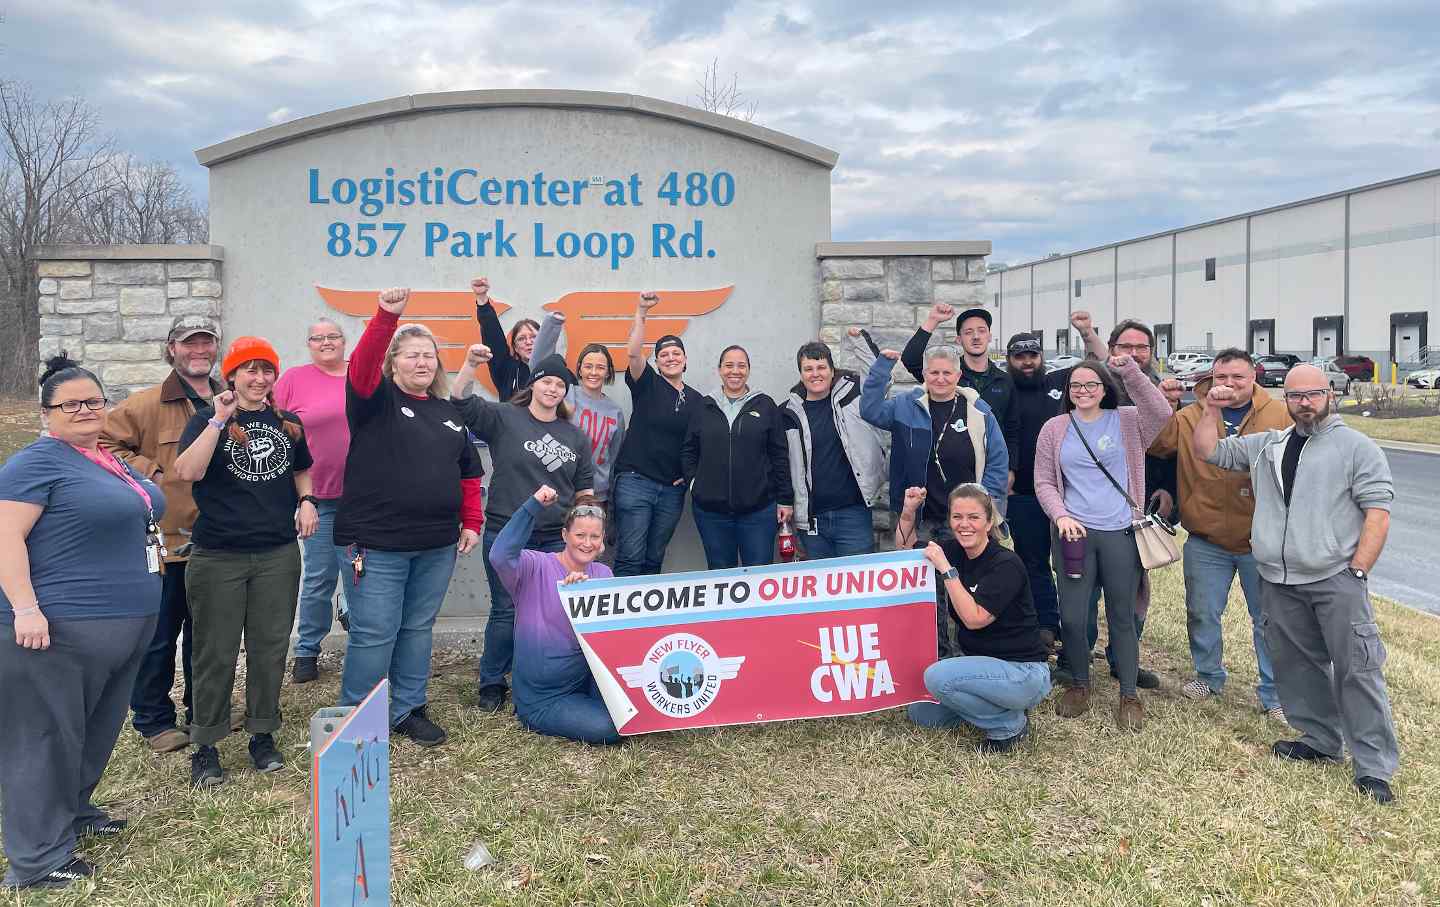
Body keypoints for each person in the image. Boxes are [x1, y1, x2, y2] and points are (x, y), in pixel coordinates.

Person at [1193, 364, 1400, 804]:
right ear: (1284, 399)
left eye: (1314, 394)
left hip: (1334, 579)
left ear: (1331, 394)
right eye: (1295, 396)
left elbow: (1377, 514)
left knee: (1357, 671)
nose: (1305, 402)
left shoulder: (1356, 448)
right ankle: (1321, 740)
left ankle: (1373, 766)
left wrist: (1357, 571)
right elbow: (1209, 451)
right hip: (1278, 579)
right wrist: (1210, 408)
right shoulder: (1271, 444)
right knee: (1296, 665)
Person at [0, 358, 165, 889]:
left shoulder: (104, 460)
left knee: (93, 731)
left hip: (121, 625)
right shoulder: (35, 464)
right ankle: (37, 859)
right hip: (58, 628)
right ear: (46, 414)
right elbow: (5, 539)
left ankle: (72, 813)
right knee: (45, 738)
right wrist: (25, 607)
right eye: (71, 404)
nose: (85, 411)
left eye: (94, 401)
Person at [333, 288, 484, 748]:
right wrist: (387, 317)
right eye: (412, 355)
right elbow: (360, 365)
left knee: (418, 628)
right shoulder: (372, 400)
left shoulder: (447, 414)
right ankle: (357, 718)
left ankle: (408, 709)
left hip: (435, 544)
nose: (422, 362)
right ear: (393, 362)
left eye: (429, 356)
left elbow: (469, 475)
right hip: (374, 544)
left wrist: (472, 523)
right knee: (375, 632)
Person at [173, 337, 317, 787]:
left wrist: (307, 499)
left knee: (269, 648)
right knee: (214, 651)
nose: (258, 379)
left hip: (276, 552)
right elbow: (187, 472)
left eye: (266, 370)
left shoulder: (288, 423)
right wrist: (217, 419)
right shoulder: (206, 419)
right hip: (219, 554)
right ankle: (207, 743)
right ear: (232, 375)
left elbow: (301, 468)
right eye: (249, 370)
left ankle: (262, 733)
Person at [100, 314, 223, 754]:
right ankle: (153, 719)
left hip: (216, 542)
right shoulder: (147, 404)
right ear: (171, 348)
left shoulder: (230, 402)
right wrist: (150, 473)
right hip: (166, 543)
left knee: (206, 637)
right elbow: (104, 443)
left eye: (206, 343)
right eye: (189, 343)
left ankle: (202, 711)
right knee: (159, 637)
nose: (199, 351)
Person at [452, 346, 594, 714]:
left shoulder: (574, 436)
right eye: (547, 382)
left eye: (560, 385)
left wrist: (586, 526)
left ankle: (545, 678)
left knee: (553, 612)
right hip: (507, 533)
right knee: (506, 610)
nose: (553, 390)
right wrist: (470, 366)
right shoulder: (504, 418)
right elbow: (460, 402)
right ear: (533, 385)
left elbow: (584, 488)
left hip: (553, 539)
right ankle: (493, 682)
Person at [1149, 348, 1289, 720]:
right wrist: (1163, 402)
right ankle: (1208, 676)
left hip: (1262, 539)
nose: (1229, 384)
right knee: (1201, 612)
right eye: (1222, 377)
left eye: (1238, 377)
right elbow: (1153, 447)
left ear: (1254, 376)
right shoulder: (1190, 416)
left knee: (1269, 619)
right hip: (1206, 535)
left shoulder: (1280, 414)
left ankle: (1274, 693)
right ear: (1212, 377)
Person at [1033, 354, 1171, 730]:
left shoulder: (1126, 420)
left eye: (1091, 384)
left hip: (1120, 532)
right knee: (1074, 617)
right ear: (1068, 391)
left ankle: (1129, 693)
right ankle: (1079, 683)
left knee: (1123, 616)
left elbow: (1161, 411)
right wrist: (1061, 516)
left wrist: (1129, 371)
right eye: (1076, 386)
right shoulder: (1055, 428)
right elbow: (1044, 480)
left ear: (1104, 389)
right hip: (1074, 535)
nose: (1083, 391)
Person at [1057, 316, 1183, 691]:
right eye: (1124, 348)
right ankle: (1076, 657)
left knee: (1130, 591)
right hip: (1086, 513)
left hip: (1135, 507)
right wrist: (1087, 334)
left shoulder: (1157, 390)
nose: (1132, 354)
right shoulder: (1098, 388)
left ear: (1151, 352)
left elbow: (1173, 446)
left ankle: (1121, 659)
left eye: (1140, 347)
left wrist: (1167, 491)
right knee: (1082, 591)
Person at [861, 339, 1008, 658]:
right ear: (924, 375)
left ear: (958, 376)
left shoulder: (979, 411)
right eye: (933, 373)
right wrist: (882, 368)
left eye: (947, 373)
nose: (940, 379)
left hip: (966, 521)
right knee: (928, 590)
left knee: (969, 585)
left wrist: (989, 505)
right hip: (921, 517)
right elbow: (869, 409)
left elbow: (997, 459)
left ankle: (972, 651)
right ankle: (937, 653)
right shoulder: (905, 405)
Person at [907, 485, 1051, 753]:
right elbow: (906, 552)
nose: (964, 525)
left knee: (937, 677)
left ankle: (1009, 724)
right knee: (921, 713)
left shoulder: (1006, 564)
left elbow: (974, 619)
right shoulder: (955, 550)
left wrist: (947, 571)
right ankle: (994, 706)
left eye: (973, 517)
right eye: (957, 517)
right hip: (983, 666)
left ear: (989, 522)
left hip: (1023, 672)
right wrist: (907, 513)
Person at [488, 484, 620, 745]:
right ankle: (539, 715)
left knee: (634, 717)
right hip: (544, 698)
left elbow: (610, 640)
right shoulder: (534, 566)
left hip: (588, 680)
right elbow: (500, 555)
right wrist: (532, 505)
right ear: (564, 534)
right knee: (611, 728)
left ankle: (591, 704)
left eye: (595, 537)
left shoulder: (603, 575)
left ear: (602, 540)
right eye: (580, 535)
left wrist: (586, 597)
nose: (587, 543)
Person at [274, 318, 351, 684]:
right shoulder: (293, 379)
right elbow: (275, 430)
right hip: (316, 498)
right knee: (320, 577)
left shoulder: (363, 376)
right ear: (308, 344)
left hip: (365, 499)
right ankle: (307, 650)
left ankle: (366, 645)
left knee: (363, 576)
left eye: (332, 336)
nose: (325, 342)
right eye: (317, 338)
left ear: (344, 341)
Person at [610, 292, 702, 576]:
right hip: (636, 483)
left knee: (653, 559)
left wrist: (689, 475)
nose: (670, 358)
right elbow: (634, 353)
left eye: (676, 354)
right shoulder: (647, 383)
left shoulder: (698, 400)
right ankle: (622, 621)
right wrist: (641, 312)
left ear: (685, 360)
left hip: (671, 492)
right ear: (657, 361)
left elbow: (702, 444)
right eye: (664, 355)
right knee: (630, 558)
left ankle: (646, 622)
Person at [681, 345, 793, 568]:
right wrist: (695, 483)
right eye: (729, 365)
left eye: (741, 366)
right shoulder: (704, 406)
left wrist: (785, 499)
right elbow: (689, 450)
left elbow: (779, 454)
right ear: (720, 370)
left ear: (749, 370)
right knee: (721, 577)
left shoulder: (765, 405)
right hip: (712, 513)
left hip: (759, 511)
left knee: (759, 576)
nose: (735, 371)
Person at [779, 331, 888, 559]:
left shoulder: (855, 396)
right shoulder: (787, 413)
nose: (815, 374)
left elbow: (879, 378)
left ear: (831, 370)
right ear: (800, 374)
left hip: (853, 514)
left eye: (821, 368)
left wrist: (858, 340)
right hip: (811, 521)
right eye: (808, 369)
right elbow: (781, 465)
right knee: (819, 592)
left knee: (858, 587)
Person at [528, 310, 627, 559]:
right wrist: (553, 323)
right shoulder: (567, 393)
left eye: (600, 367)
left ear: (608, 372)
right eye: (588, 366)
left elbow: (613, 460)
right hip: (560, 492)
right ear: (579, 370)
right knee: (556, 560)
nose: (594, 372)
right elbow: (538, 361)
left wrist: (610, 511)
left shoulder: (615, 411)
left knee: (586, 561)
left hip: (595, 498)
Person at [901, 304, 1020, 479]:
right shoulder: (946, 377)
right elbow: (910, 359)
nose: (976, 337)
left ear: (989, 337)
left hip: (992, 473)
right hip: (951, 473)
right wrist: (933, 320)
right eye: (968, 332)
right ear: (959, 339)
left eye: (981, 331)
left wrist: (1010, 470)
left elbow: (1012, 429)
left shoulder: (1005, 380)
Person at [472, 276, 538, 401]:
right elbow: (493, 336)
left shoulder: (554, 369)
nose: (529, 342)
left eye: (534, 337)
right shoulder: (507, 370)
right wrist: (482, 299)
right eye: (521, 339)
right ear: (515, 348)